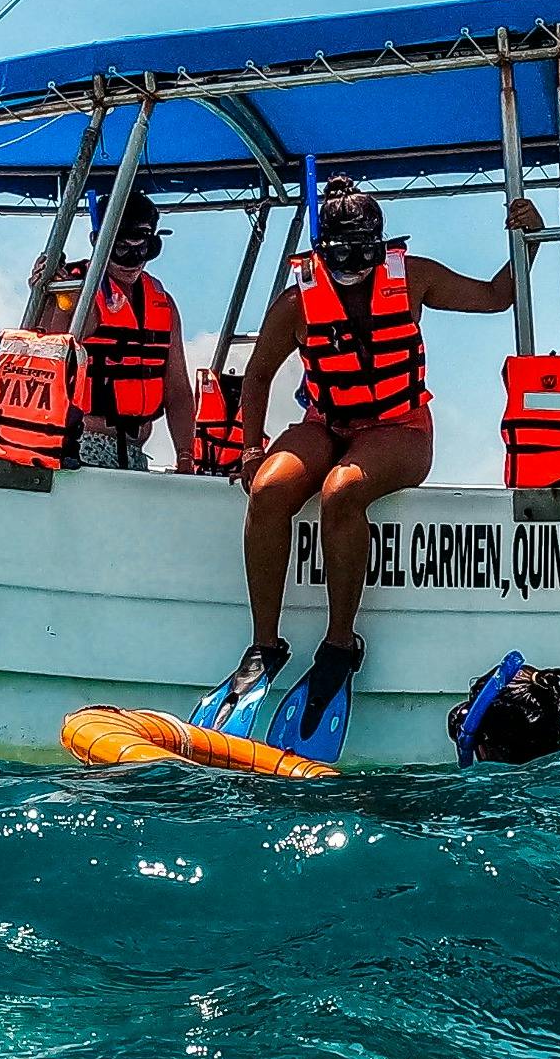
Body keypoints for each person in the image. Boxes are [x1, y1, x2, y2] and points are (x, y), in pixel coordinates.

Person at [201, 174, 541, 749]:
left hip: (400, 428)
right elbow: (257, 374)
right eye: (339, 254)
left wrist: (525, 243)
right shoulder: (298, 301)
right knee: (268, 489)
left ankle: (340, 644)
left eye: (363, 251)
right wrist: (252, 445)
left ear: (381, 245)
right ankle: (266, 643)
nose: (352, 264)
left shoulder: (413, 278)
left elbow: (495, 296)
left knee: (340, 492)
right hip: (326, 423)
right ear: (321, 252)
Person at [27, 198, 195, 472]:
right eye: (121, 249)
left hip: (135, 453)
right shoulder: (79, 292)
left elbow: (177, 390)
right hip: (83, 447)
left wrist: (186, 456)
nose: (132, 261)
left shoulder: (162, 302)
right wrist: (50, 293)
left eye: (142, 249)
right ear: (100, 242)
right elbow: (47, 363)